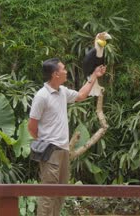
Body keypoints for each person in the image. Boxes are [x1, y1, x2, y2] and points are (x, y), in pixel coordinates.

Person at [28, 58, 106, 216]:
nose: (66, 71)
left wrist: (94, 76)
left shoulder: (62, 91)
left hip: (63, 151)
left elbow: (81, 95)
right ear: (55, 74)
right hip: (50, 150)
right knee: (48, 192)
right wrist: (44, 141)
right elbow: (31, 126)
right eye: (63, 69)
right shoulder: (42, 96)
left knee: (61, 192)